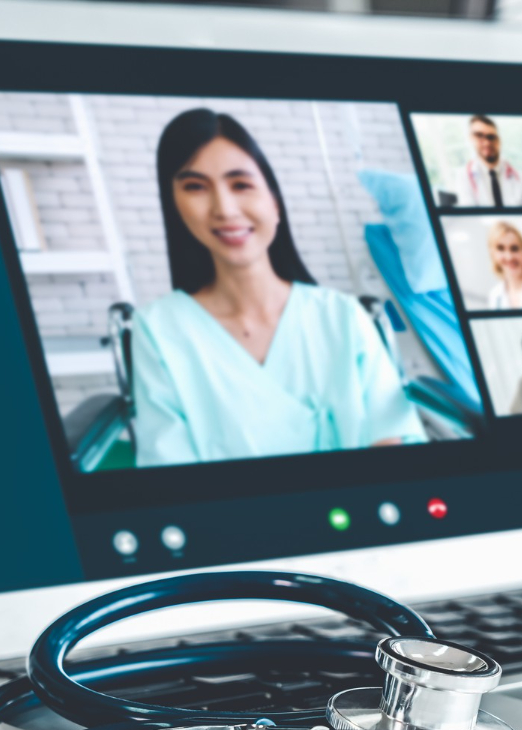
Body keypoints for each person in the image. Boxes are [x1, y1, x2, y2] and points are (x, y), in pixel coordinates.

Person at [131, 108, 426, 468]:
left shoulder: (342, 316)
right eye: (195, 187)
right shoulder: (158, 329)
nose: (224, 209)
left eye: (241, 184)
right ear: (174, 206)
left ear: (275, 203)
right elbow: (169, 468)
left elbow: (390, 436)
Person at [448, 114, 522, 208]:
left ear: (499, 140)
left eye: (491, 137)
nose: (487, 142)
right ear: (471, 139)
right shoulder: (463, 177)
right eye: (479, 136)